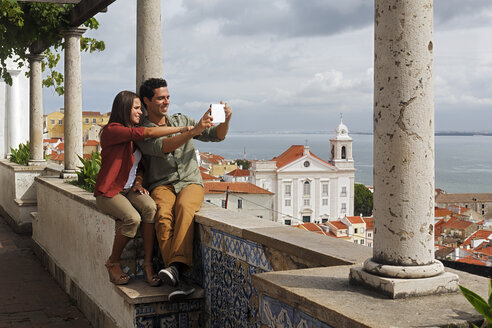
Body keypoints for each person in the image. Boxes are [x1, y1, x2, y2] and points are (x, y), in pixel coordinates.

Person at [136, 78, 231, 301]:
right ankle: (180, 274)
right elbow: (162, 147)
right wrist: (191, 131)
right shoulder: (143, 131)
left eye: (167, 97)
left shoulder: (182, 119)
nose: (166, 101)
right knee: (162, 217)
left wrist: (226, 120)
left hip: (190, 181)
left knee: (185, 207)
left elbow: (217, 135)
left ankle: (175, 269)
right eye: (160, 98)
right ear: (147, 101)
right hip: (162, 184)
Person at [94, 90, 191, 287]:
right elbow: (148, 132)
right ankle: (113, 262)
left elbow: (140, 165)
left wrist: (138, 181)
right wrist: (182, 129)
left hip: (129, 189)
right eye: (137, 108)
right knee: (132, 219)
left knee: (150, 208)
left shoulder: (133, 135)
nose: (141, 112)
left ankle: (148, 264)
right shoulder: (112, 130)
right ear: (124, 108)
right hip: (110, 191)